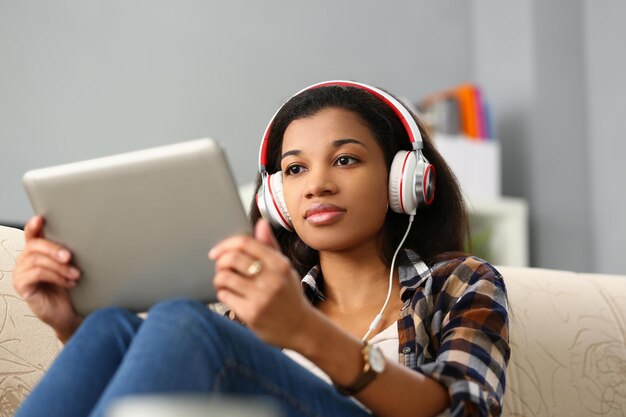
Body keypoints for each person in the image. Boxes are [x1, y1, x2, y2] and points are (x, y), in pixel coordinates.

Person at [12, 80, 510, 417]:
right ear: (275, 198)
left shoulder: (460, 281)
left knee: (183, 319)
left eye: (345, 159)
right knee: (107, 325)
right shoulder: (260, 305)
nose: (316, 184)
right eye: (294, 169)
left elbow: (465, 408)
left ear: (405, 179)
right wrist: (67, 323)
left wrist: (305, 332)